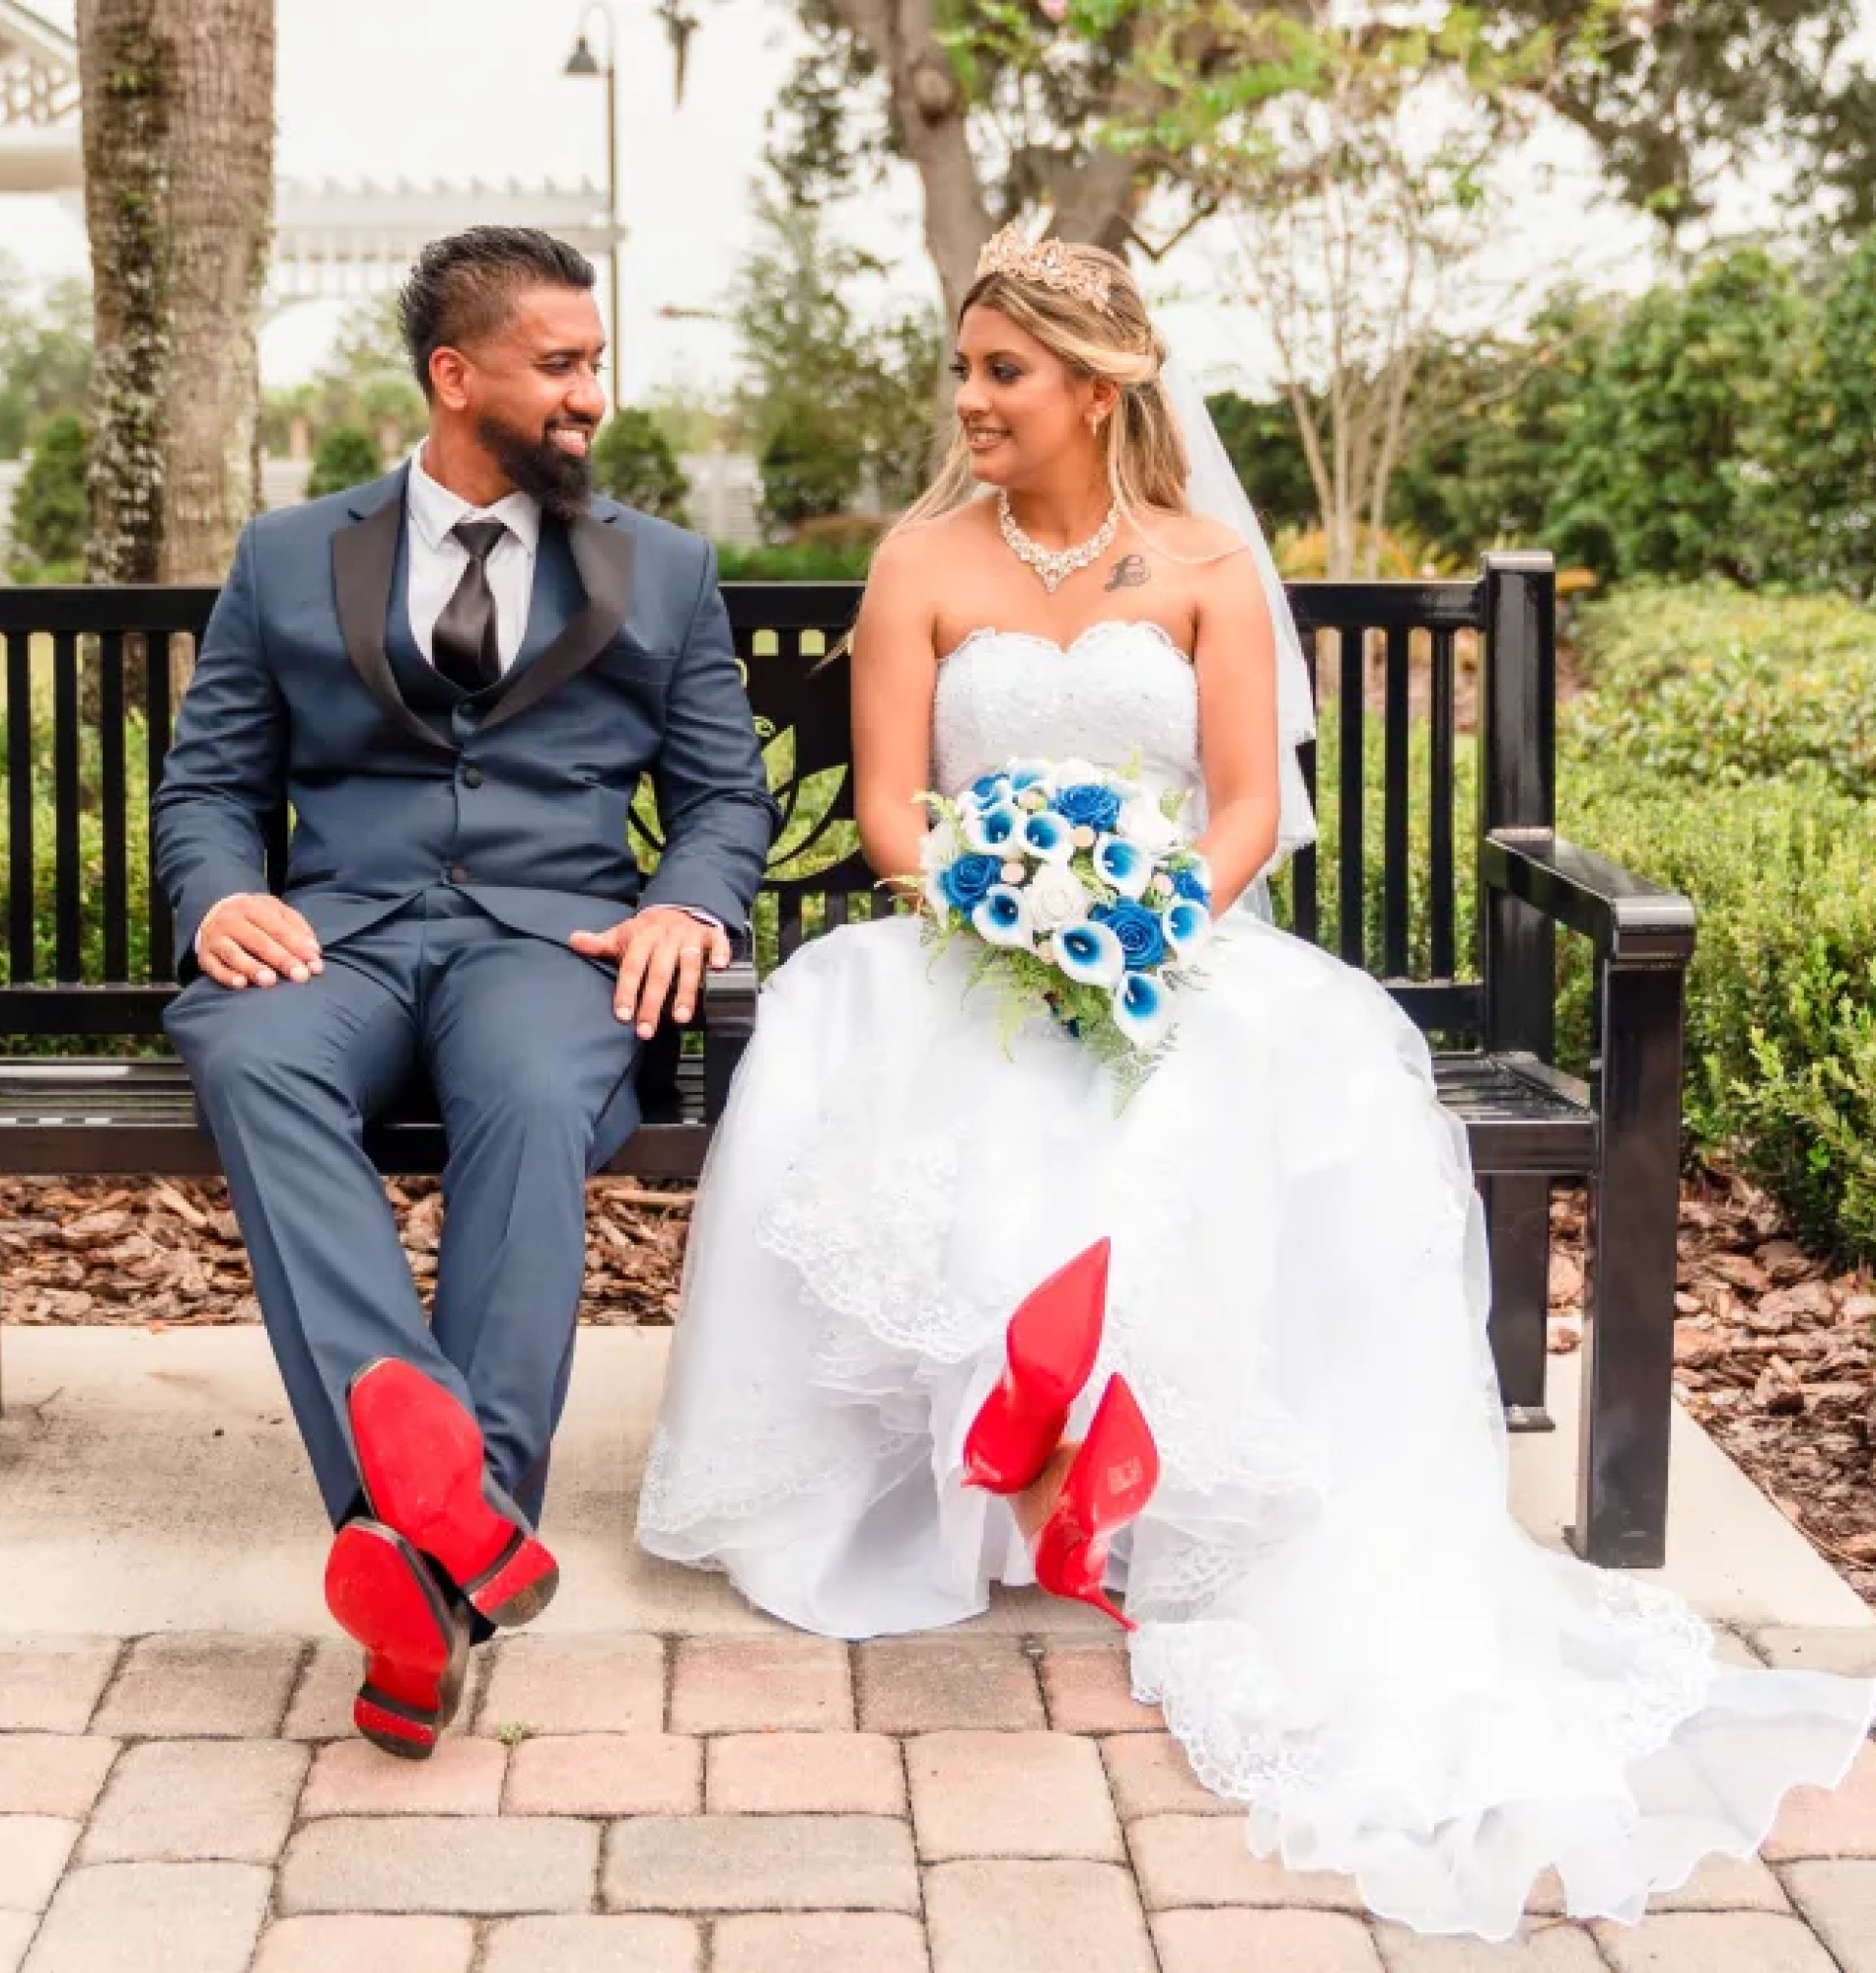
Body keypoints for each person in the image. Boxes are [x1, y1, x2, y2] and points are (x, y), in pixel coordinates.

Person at [636, 223, 1875, 1937]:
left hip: (1172, 942)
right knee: (891, 1048)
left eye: (1005, 372)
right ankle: (1040, 1439)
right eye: (967, 370)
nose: (972, 399)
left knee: (1239, 1076)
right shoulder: (921, 561)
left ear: (1098, 385)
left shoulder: (1212, 567)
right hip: (965, 942)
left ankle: (1094, 1438)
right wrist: (1007, 912)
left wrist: (1130, 925)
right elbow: (897, 816)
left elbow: (1241, 811)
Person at [154, 226, 776, 1758]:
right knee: (250, 1058)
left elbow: (722, 799)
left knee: (529, 1098)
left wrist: (689, 905)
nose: (591, 396)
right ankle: (462, 1533)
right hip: (339, 936)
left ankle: (420, 1559)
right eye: (560, 365)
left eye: (594, 363)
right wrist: (223, 892)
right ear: (455, 374)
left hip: (554, 945)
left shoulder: (664, 569)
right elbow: (210, 785)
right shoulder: (289, 555)